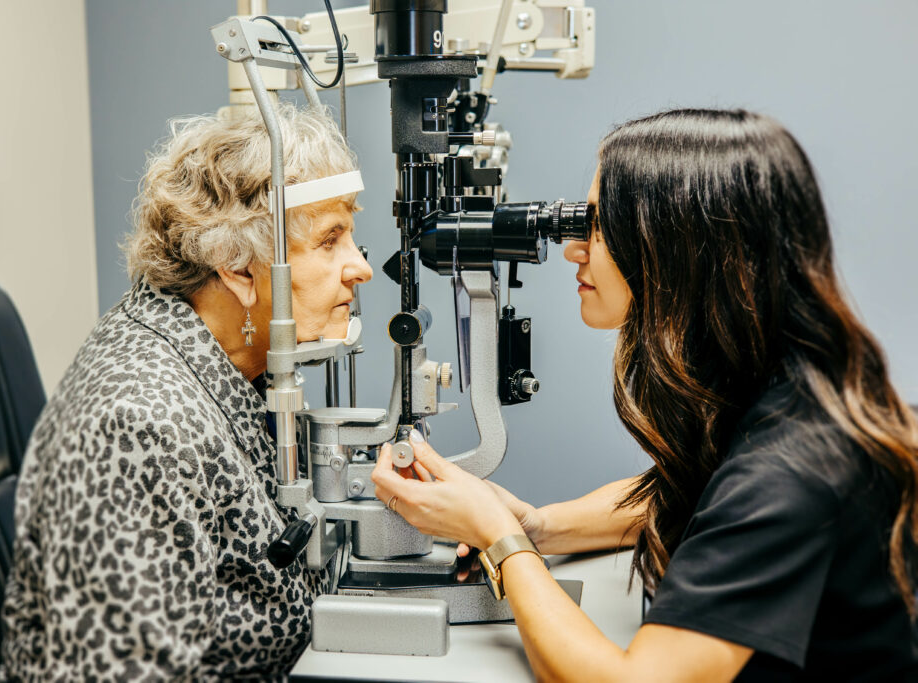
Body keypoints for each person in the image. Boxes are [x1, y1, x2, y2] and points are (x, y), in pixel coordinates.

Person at [372, 108, 918, 681]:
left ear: (680, 249)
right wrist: (537, 524)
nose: (574, 250)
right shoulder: (780, 391)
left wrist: (501, 540)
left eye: (600, 227)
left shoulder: (791, 472)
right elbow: (696, 493)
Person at [0, 103, 373, 680]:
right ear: (239, 269)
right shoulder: (138, 428)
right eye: (330, 241)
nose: (360, 267)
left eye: (351, 234)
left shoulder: (237, 361)